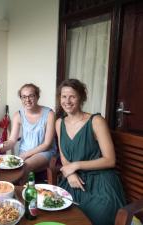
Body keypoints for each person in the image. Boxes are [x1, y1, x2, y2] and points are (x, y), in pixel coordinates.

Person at [55, 79, 126, 225]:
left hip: (101, 183)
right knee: (56, 212)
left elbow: (110, 160)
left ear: (81, 97)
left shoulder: (96, 121)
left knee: (94, 216)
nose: (67, 101)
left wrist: (76, 165)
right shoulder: (59, 123)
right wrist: (70, 173)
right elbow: (64, 157)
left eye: (72, 96)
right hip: (73, 179)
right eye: (63, 96)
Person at [0, 83, 57, 183]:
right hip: (24, 152)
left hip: (43, 152)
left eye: (31, 96)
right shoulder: (18, 115)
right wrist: (0, 147)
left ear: (37, 96)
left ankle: (24, 195)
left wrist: (25, 155)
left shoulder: (49, 114)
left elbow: (47, 144)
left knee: (25, 166)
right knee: (7, 167)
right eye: (24, 97)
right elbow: (12, 140)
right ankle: (13, 193)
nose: (27, 100)